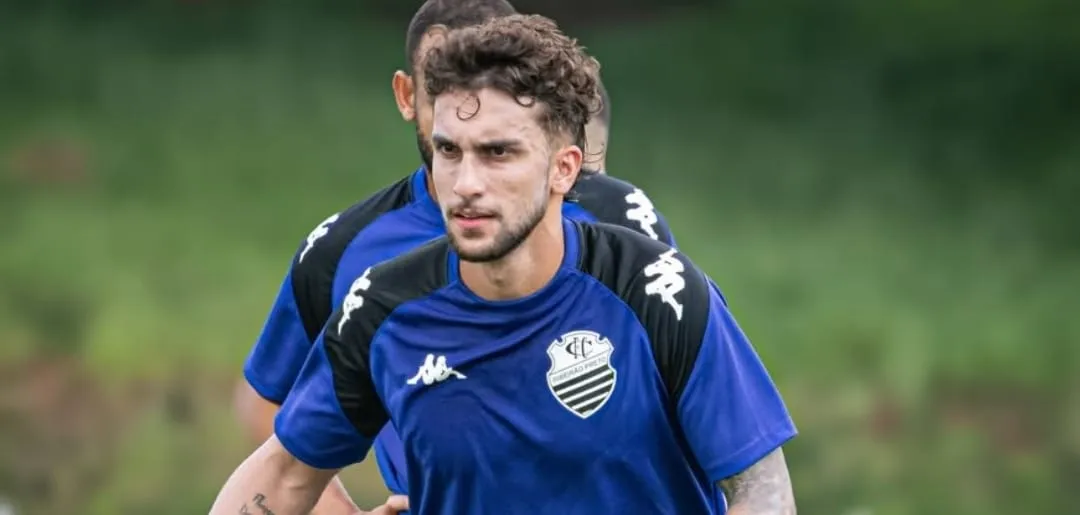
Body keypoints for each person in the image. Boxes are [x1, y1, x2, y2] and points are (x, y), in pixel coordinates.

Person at [212, 14, 797, 515]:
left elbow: (762, 489)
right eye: (449, 151)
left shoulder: (655, 295)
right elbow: (284, 475)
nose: (465, 184)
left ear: (564, 169)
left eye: (498, 153)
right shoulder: (384, 310)